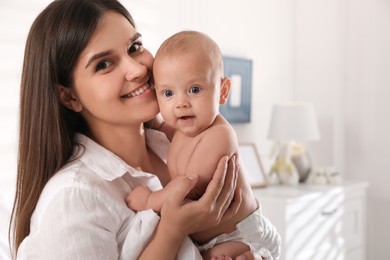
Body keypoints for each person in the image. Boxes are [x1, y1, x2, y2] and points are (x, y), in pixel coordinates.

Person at [9, 1, 250, 259]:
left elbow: (254, 232)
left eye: (135, 47)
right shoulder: (73, 201)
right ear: (69, 97)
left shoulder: (181, 139)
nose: (138, 69)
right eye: (104, 64)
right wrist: (172, 229)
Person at [126, 31, 281, 260]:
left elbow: (191, 188)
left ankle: (255, 256)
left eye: (195, 90)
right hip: (212, 237)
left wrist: (150, 200)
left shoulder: (220, 135)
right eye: (168, 93)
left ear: (223, 91)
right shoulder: (177, 130)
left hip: (241, 234)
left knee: (223, 255)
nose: (181, 103)